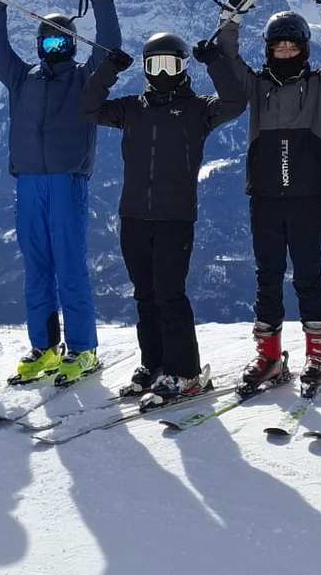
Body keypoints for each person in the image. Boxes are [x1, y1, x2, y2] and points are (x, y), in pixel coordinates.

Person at [81, 31, 246, 406]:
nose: (162, 72)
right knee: (145, 295)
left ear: (184, 67)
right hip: (133, 217)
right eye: (155, 64)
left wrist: (215, 61)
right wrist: (108, 69)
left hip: (175, 218)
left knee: (170, 295)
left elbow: (236, 103)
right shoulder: (131, 109)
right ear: (144, 68)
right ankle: (153, 364)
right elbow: (88, 109)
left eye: (170, 64)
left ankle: (185, 372)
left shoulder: (198, 109)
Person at [0, 0, 121, 385]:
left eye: (62, 43)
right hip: (29, 183)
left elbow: (110, 41)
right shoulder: (22, 78)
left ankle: (82, 349)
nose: (54, 50)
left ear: (74, 46)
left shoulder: (86, 78)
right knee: (37, 268)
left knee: (70, 266)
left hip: (66, 182)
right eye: (48, 43)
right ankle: (43, 347)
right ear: (39, 45)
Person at [209, 0, 321, 395]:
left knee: (309, 274)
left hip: (307, 198)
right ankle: (268, 357)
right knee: (267, 276)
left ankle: (317, 356)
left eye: (292, 46)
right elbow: (227, 56)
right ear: (268, 50)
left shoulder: (320, 86)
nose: (285, 52)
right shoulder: (256, 88)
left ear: (304, 50)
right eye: (278, 46)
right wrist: (232, 18)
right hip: (266, 197)